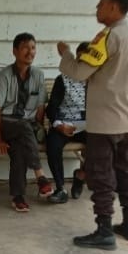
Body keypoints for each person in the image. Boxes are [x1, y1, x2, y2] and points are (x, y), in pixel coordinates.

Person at [56, 0, 128, 250]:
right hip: (127, 120)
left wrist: (66, 54)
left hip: (104, 123)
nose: (97, 7)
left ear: (114, 7)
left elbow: (79, 72)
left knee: (101, 175)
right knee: (126, 173)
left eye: (102, 3)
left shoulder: (108, 37)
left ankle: (104, 230)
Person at [0, 32, 53, 212]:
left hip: (26, 128)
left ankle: (18, 197)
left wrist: (37, 129)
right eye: (25, 48)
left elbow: (40, 107)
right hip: (5, 123)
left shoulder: (39, 75)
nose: (30, 52)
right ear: (15, 51)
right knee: (24, 127)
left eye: (33, 48)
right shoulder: (4, 75)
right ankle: (40, 176)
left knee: (18, 149)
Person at [45, 42, 90, 204]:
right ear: (75, 58)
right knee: (52, 144)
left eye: (87, 60)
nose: (83, 63)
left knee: (103, 144)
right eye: (80, 59)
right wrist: (59, 125)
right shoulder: (63, 80)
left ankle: (81, 175)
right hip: (64, 124)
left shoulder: (95, 80)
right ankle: (60, 189)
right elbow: (51, 107)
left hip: (87, 127)